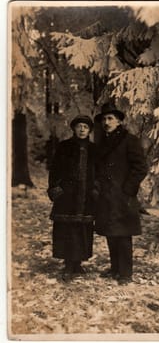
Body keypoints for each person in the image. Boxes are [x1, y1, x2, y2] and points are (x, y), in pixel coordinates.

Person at [94, 103, 148, 285]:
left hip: (123, 195)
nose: (106, 122)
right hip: (106, 195)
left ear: (119, 121)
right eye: (104, 119)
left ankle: (125, 273)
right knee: (111, 232)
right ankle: (115, 268)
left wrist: (128, 189)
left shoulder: (129, 140)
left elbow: (140, 168)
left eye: (110, 118)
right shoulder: (103, 142)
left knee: (123, 234)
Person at [47, 115, 96, 282]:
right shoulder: (64, 147)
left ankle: (78, 263)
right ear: (74, 129)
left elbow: (100, 172)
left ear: (90, 130)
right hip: (67, 195)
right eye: (79, 126)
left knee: (82, 229)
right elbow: (54, 170)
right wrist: (56, 188)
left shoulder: (94, 149)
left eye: (86, 127)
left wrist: (96, 189)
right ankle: (68, 264)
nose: (82, 129)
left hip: (86, 196)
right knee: (67, 229)